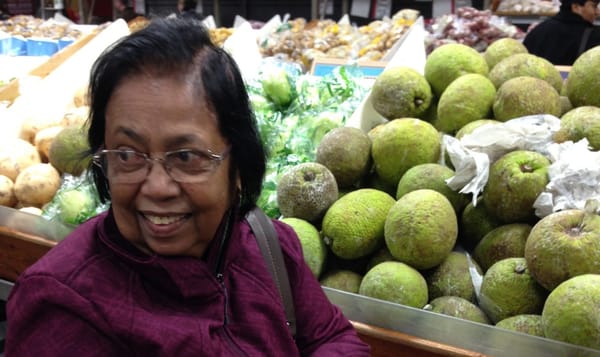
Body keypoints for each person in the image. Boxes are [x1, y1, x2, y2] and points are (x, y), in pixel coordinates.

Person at [5, 18, 370, 356]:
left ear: (238, 165)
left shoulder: (267, 245)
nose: (158, 187)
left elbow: (331, 337)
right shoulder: (63, 305)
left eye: (186, 157)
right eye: (128, 155)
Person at [523, 0, 600, 65]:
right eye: (594, 6)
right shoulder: (594, 36)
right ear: (576, 7)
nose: (597, 12)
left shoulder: (538, 30)